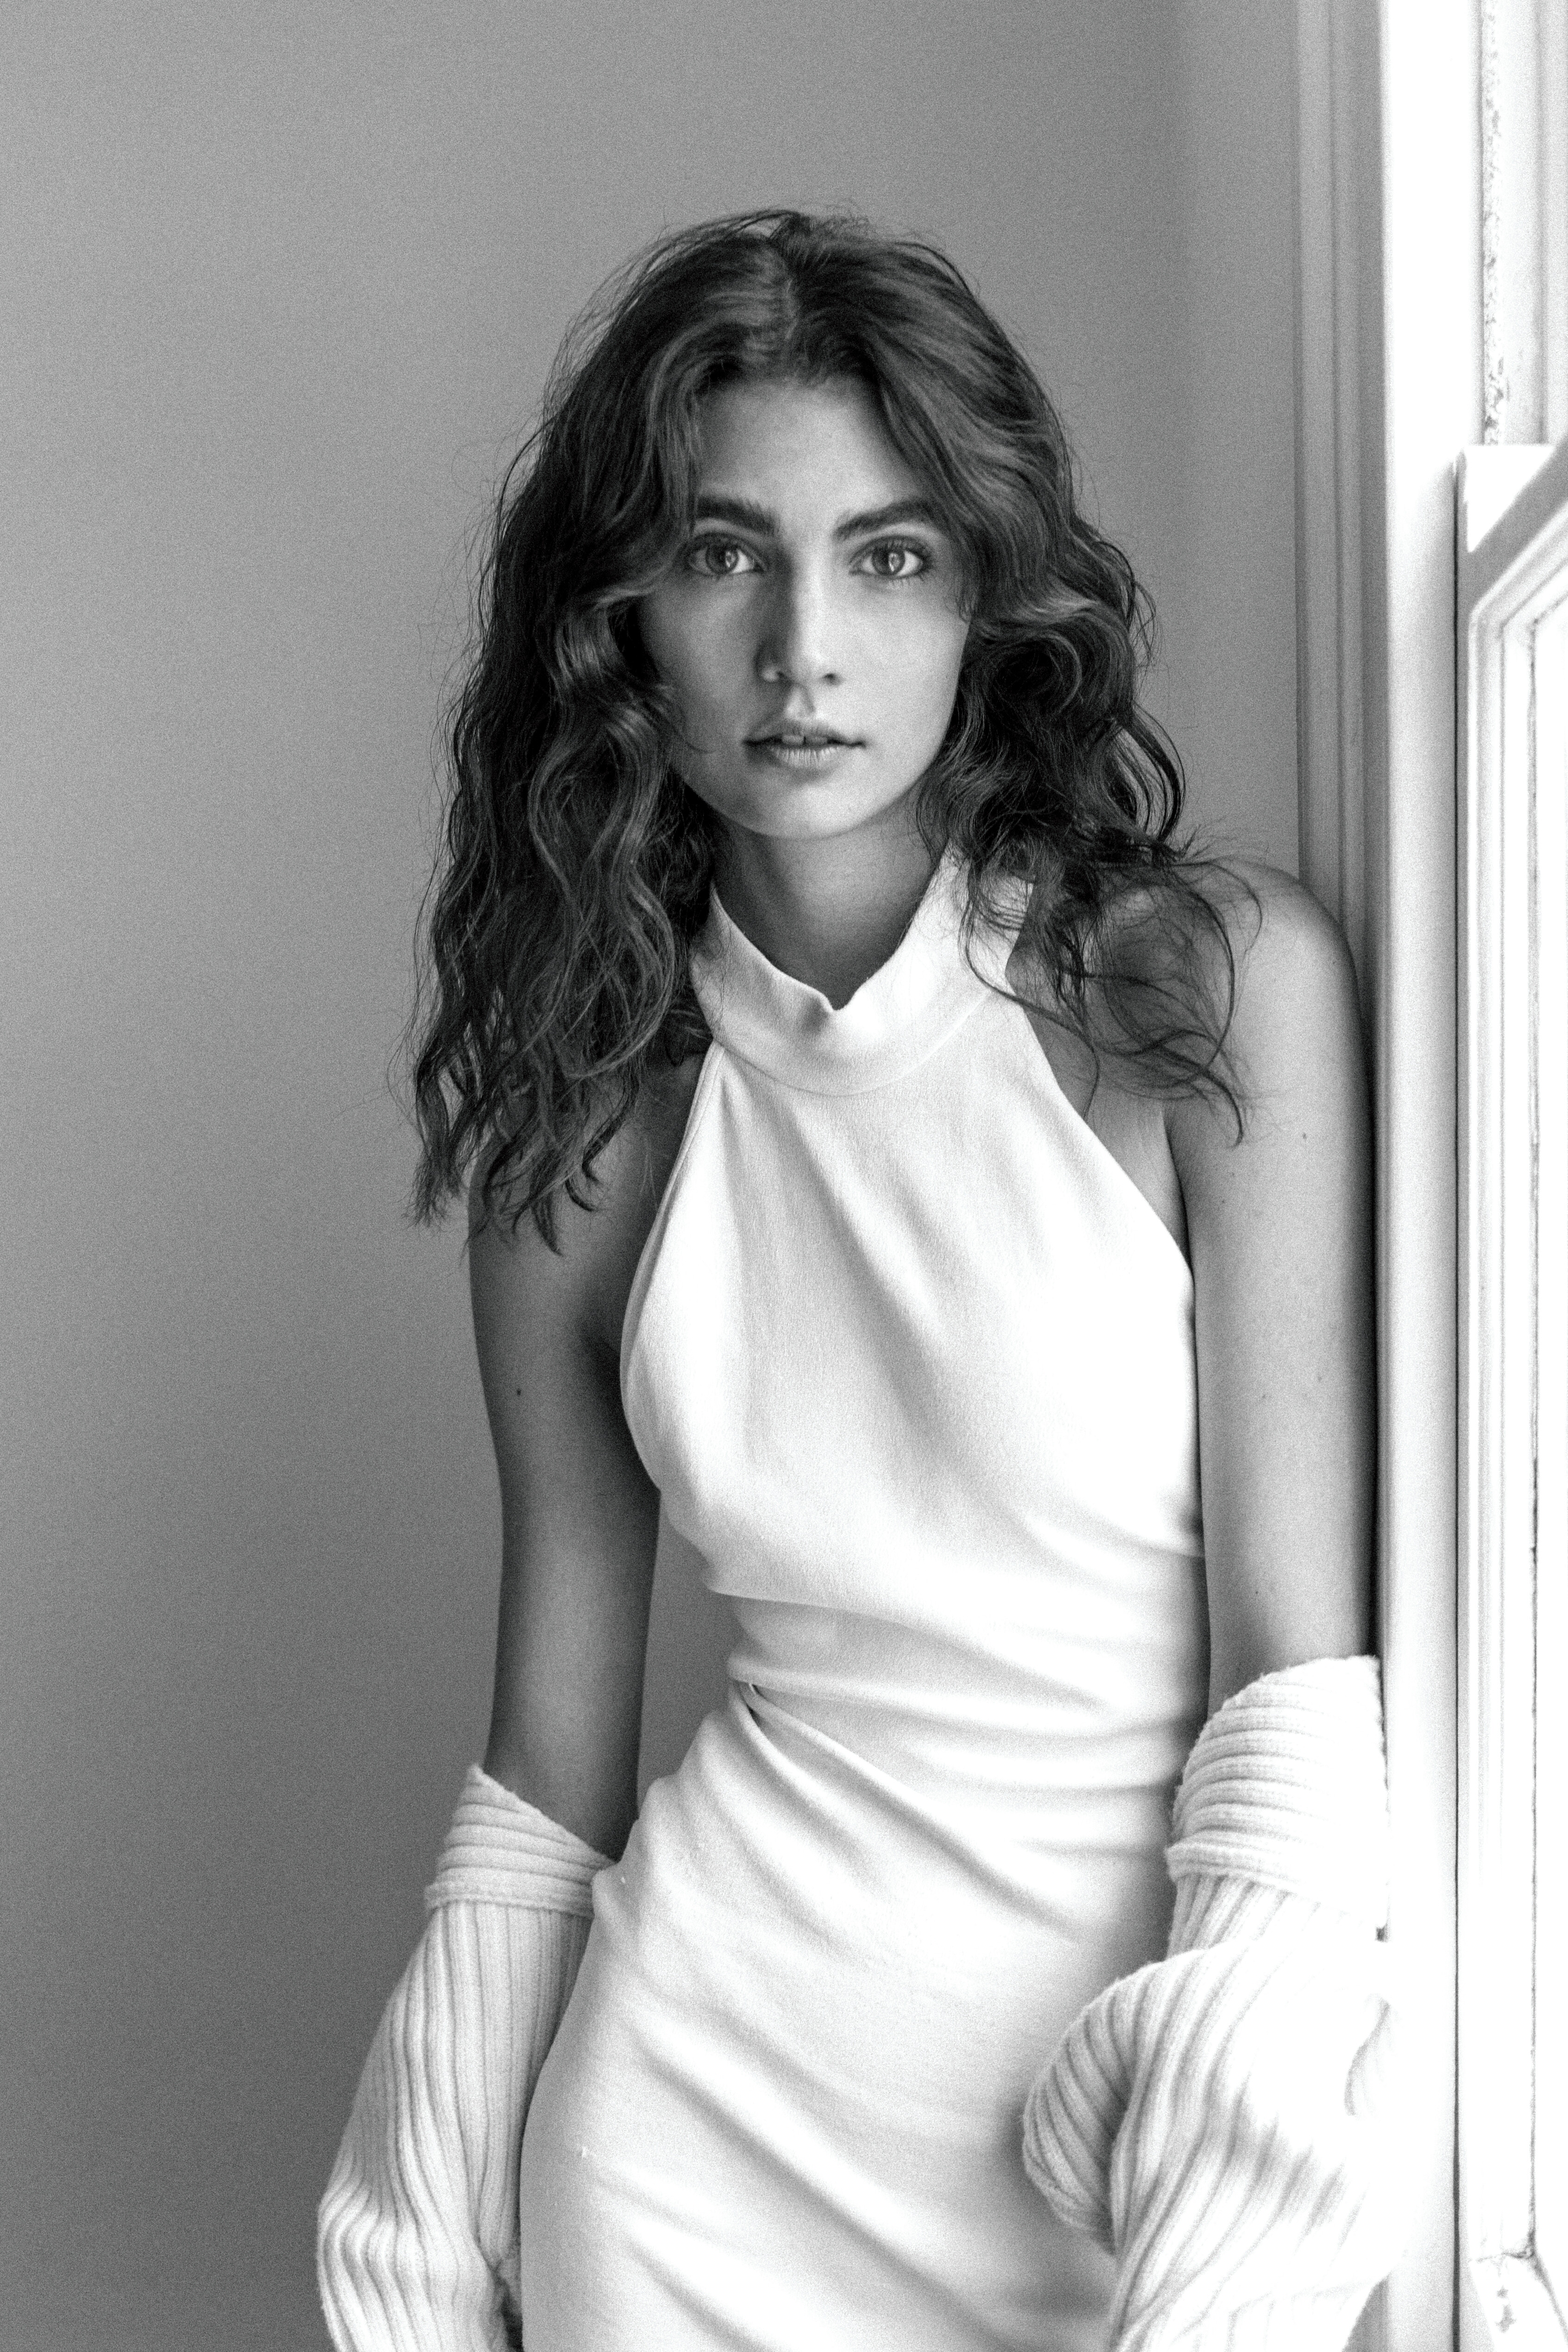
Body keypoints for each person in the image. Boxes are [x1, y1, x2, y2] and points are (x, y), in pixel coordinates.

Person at [317, 211, 1404, 2351]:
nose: (801, 646)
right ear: (621, 617)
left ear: (982, 594)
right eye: (724, 553)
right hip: (689, 2157)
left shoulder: (1197, 995)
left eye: (886, 555)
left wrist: (1223, 2269)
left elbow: (1290, 1680)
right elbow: (547, 1784)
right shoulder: (591, 1144)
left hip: (1113, 2166)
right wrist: (415, 2265)